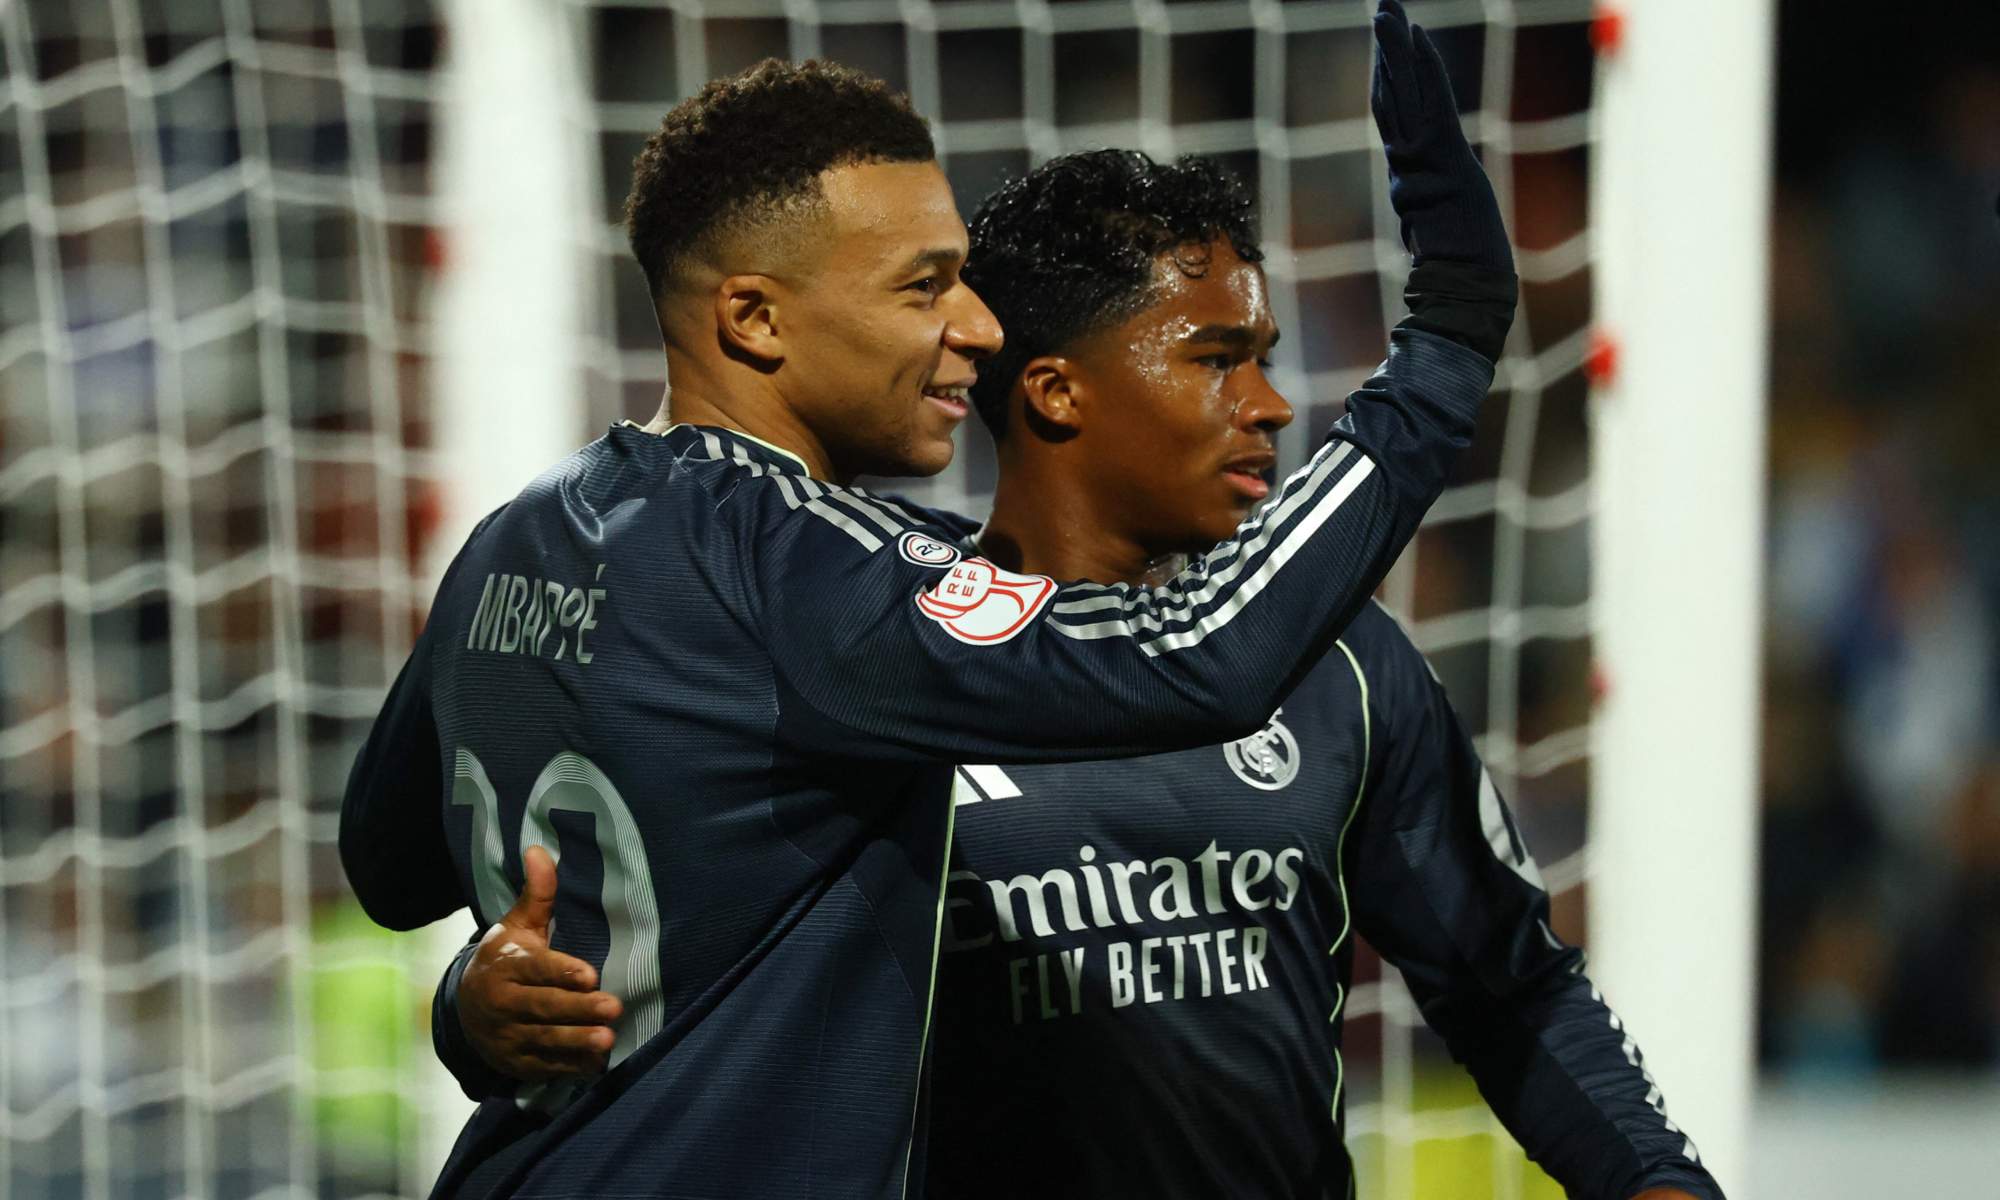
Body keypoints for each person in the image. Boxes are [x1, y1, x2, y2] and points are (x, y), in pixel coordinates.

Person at [342, 4, 1514, 1195]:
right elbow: (1188, 657)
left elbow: (390, 868)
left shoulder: (516, 535)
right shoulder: (803, 568)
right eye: (924, 287)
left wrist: (470, 1006)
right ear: (753, 318)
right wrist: (1445, 347)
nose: (979, 327)